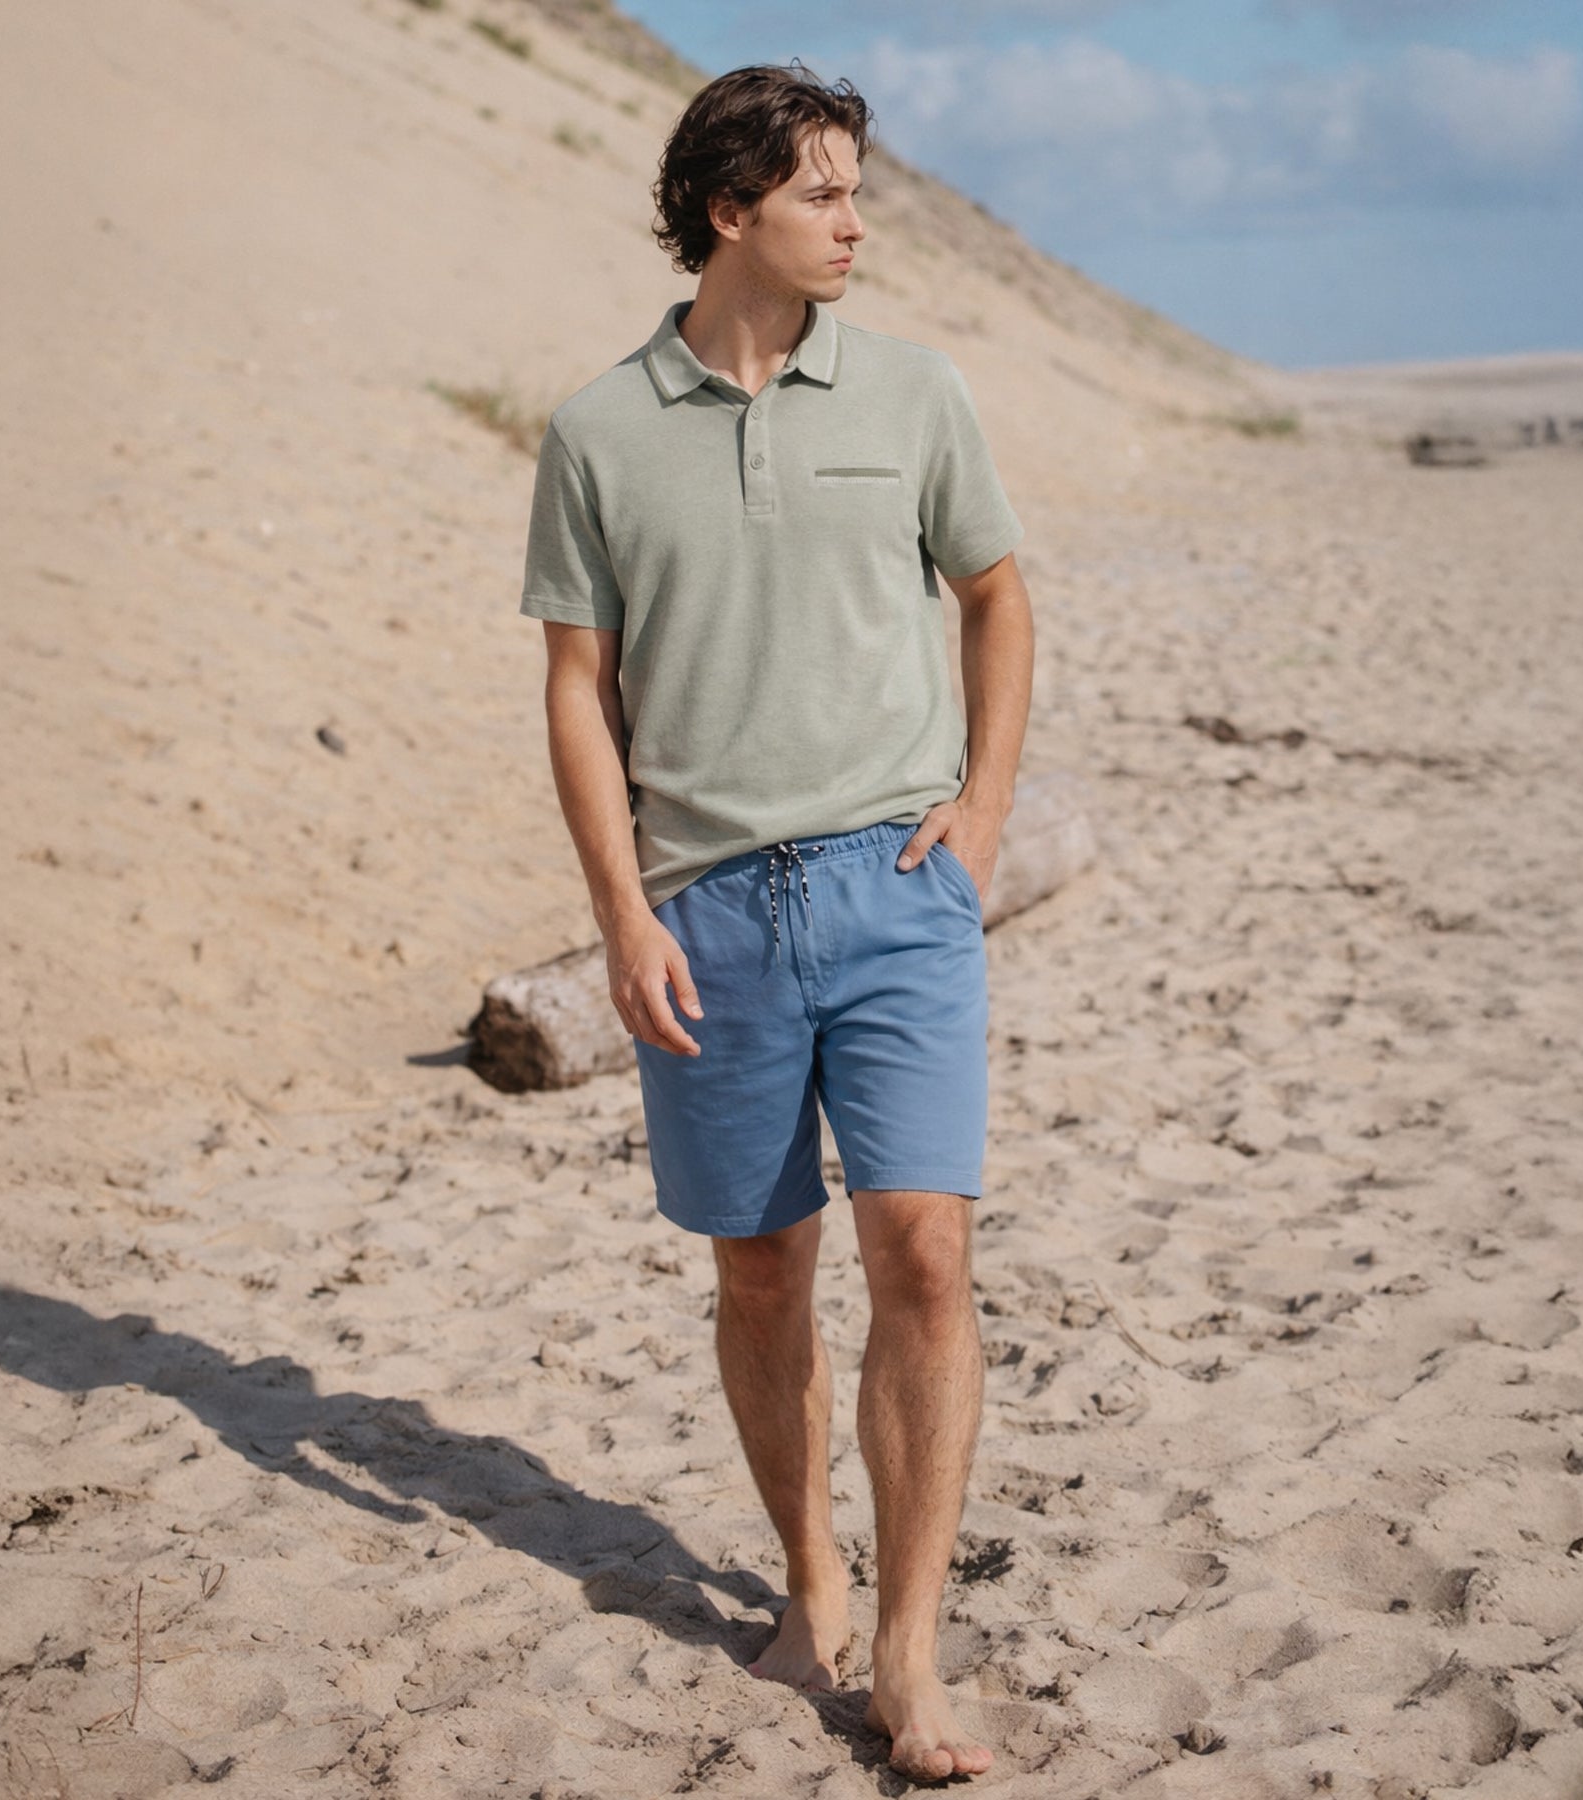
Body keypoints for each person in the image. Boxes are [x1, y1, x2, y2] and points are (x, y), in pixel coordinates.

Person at [519, 60, 1034, 1783]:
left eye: (858, 189)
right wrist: (621, 912)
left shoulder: (916, 393)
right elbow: (578, 691)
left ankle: (907, 1644)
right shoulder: (597, 431)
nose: (857, 221)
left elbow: (996, 593)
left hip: (898, 888)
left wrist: (984, 808)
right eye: (824, 193)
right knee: (762, 1275)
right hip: (711, 913)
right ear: (730, 209)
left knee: (928, 1254)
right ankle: (808, 1580)